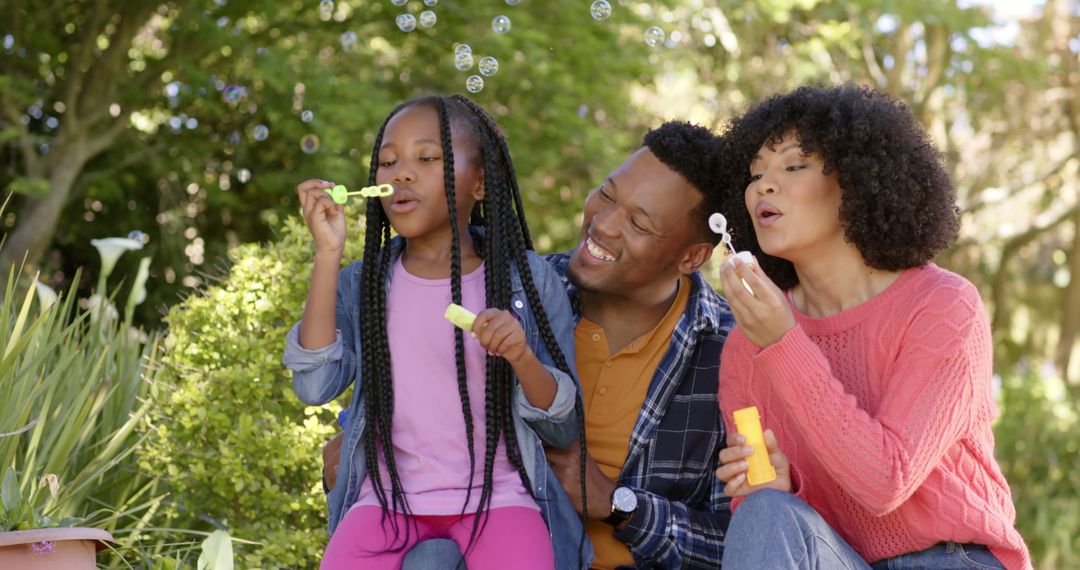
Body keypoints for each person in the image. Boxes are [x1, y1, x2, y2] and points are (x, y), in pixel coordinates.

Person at [712, 84, 1032, 570]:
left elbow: (885, 482)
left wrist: (783, 343)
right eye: (755, 174)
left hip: (951, 559)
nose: (763, 186)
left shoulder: (943, 306)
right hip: (841, 557)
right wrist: (781, 485)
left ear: (858, 181)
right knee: (763, 513)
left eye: (794, 166)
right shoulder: (747, 343)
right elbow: (768, 527)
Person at [283, 94, 589, 569]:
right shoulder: (363, 283)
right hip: (386, 503)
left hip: (500, 500)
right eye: (388, 161)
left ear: (481, 182)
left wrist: (522, 356)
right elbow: (314, 384)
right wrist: (328, 253)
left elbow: (563, 426)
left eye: (427, 158)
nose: (401, 173)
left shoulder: (525, 282)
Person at [543, 120, 735, 569]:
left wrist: (618, 504)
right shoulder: (523, 294)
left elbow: (743, 539)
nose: (604, 225)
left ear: (690, 258)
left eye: (638, 222)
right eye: (608, 195)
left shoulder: (734, 350)